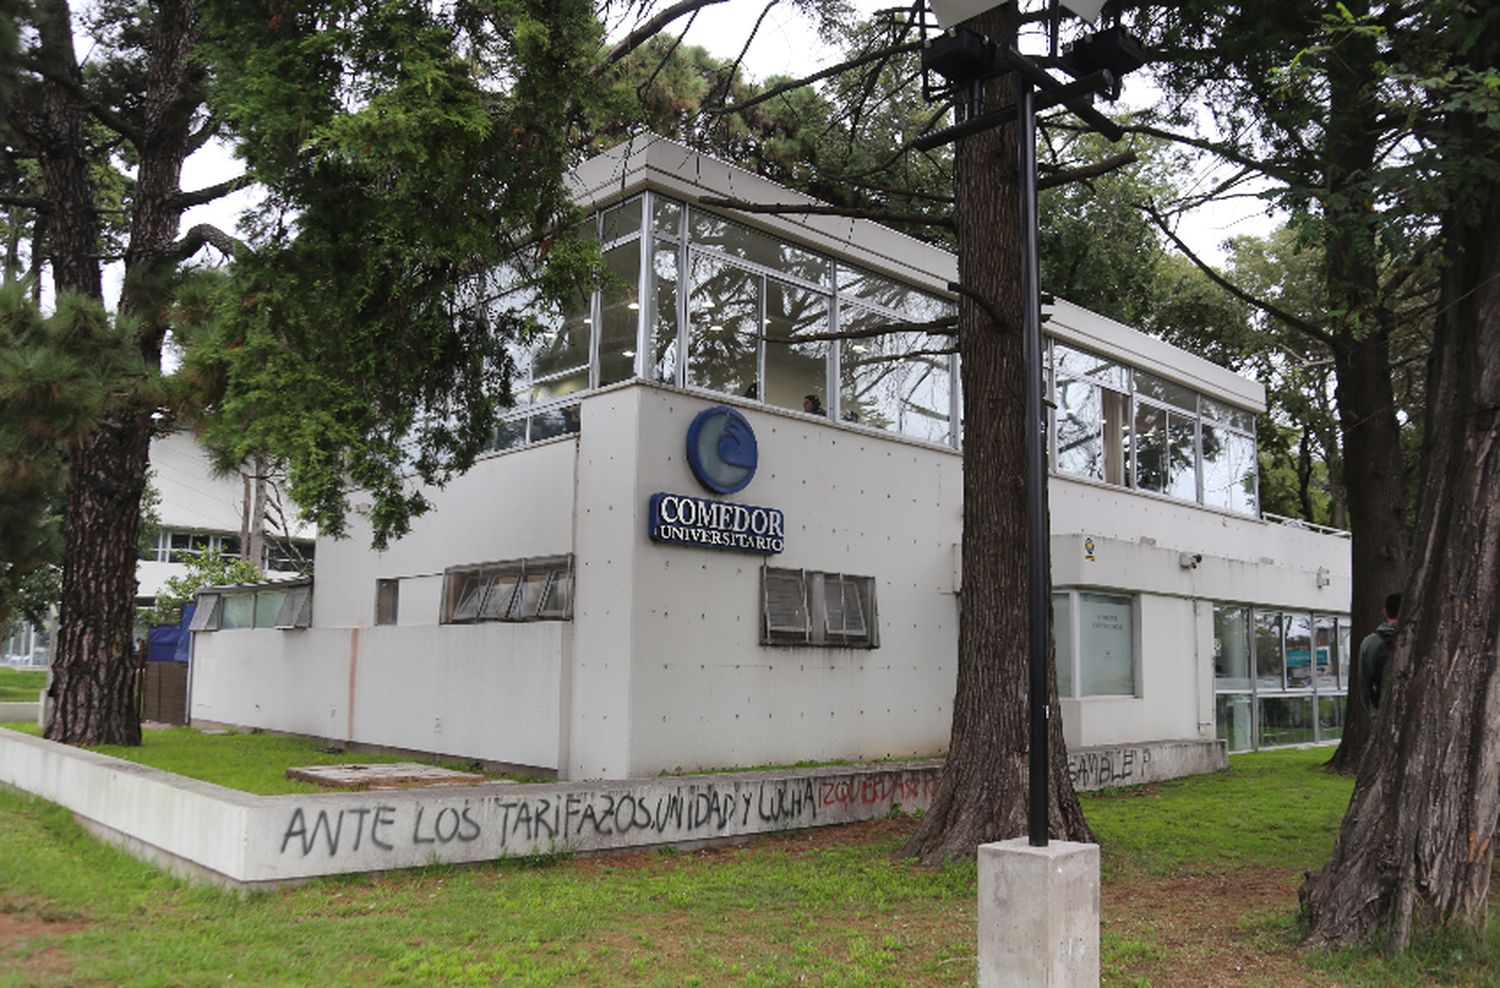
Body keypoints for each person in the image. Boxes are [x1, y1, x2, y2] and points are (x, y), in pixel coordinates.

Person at [1358, 592, 1401, 713]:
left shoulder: (1369, 643)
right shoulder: (1419, 639)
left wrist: (1373, 713)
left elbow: (1364, 685)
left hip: (1384, 711)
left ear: (1384, 612)